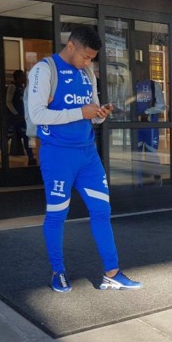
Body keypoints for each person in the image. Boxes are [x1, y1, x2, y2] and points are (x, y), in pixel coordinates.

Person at [26, 25, 142, 292]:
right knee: (57, 215)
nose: (88, 62)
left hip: (88, 155)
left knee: (102, 211)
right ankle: (58, 271)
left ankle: (112, 273)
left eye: (92, 58)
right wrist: (81, 112)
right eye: (86, 56)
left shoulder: (87, 72)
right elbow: (37, 115)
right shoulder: (45, 70)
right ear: (70, 46)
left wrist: (101, 113)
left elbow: (92, 113)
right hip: (57, 156)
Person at [0, 69, 36, 166]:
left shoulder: (22, 88)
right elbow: (8, 101)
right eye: (23, 76)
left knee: (26, 137)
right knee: (6, 137)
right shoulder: (12, 87)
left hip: (21, 119)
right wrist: (15, 114)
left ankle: (31, 158)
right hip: (13, 119)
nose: (25, 78)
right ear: (18, 77)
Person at [134, 61, 166, 185]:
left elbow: (161, 106)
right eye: (134, 70)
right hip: (134, 125)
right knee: (135, 154)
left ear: (143, 71)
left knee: (151, 153)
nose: (136, 73)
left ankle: (157, 180)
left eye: (138, 70)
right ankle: (138, 182)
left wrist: (147, 112)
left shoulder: (153, 85)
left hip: (150, 125)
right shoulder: (131, 85)